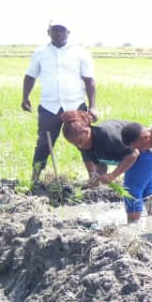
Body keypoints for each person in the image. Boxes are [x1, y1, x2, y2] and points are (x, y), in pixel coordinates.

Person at [21, 19, 97, 183]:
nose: (58, 33)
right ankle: (34, 179)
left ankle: (94, 178)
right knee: (44, 144)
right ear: (49, 32)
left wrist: (93, 107)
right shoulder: (40, 53)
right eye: (55, 30)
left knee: (85, 141)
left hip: (75, 105)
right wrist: (25, 97)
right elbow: (30, 76)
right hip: (49, 107)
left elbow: (89, 80)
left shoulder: (80, 53)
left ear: (68, 33)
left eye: (62, 30)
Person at [59, 111, 152, 223]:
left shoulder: (106, 136)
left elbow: (134, 153)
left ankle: (133, 226)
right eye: (74, 144)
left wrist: (113, 175)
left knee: (131, 189)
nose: (79, 146)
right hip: (135, 155)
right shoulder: (83, 145)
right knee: (147, 192)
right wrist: (97, 175)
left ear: (87, 130)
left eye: (80, 141)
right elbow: (100, 163)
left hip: (147, 149)